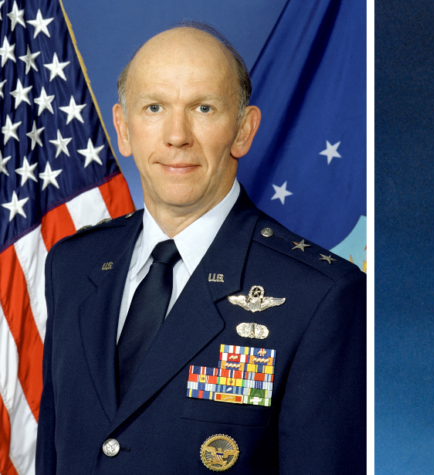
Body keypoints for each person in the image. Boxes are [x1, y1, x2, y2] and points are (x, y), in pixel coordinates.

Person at [36, 24, 366, 474]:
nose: (177, 136)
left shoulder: (321, 295)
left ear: (243, 130)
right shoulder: (73, 265)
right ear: (124, 128)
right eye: (154, 107)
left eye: (204, 108)